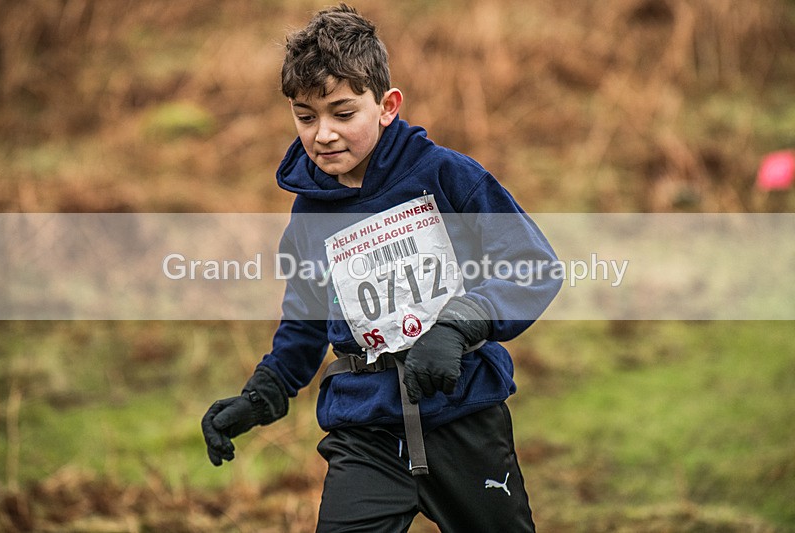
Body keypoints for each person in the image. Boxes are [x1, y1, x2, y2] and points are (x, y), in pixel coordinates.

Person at [201, 4, 562, 531]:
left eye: (343, 114)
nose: (323, 134)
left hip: (462, 416)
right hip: (364, 431)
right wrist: (263, 393)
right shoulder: (309, 212)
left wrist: (461, 323)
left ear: (387, 105)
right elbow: (305, 319)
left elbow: (535, 265)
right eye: (306, 116)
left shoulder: (446, 175)